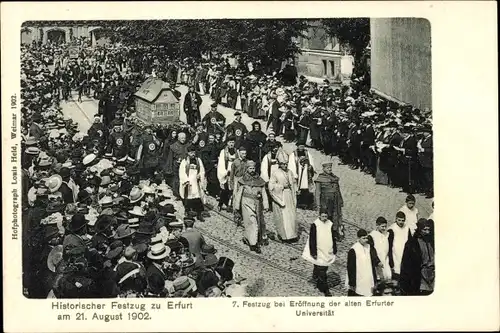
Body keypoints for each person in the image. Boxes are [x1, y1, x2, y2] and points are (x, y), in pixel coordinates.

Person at [233, 161, 269, 254]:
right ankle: (253, 244)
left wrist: (266, 205)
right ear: (247, 169)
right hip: (246, 203)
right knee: (251, 222)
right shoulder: (243, 180)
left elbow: (264, 193)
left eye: (253, 168)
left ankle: (247, 237)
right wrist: (236, 206)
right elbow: (239, 194)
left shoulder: (259, 180)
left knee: (257, 221)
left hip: (257, 204)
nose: (252, 170)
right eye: (250, 168)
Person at [302, 211, 338, 296]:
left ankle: (317, 277)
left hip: (327, 250)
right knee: (322, 271)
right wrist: (313, 252)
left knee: (324, 268)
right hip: (319, 251)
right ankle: (325, 289)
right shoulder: (315, 225)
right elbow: (312, 239)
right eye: (323, 216)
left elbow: (333, 237)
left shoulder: (330, 224)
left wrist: (334, 248)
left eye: (326, 216)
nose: (324, 218)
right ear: (319, 216)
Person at [268, 155, 298, 243]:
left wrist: (295, 189)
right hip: (281, 196)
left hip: (289, 195)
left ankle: (292, 235)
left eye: (286, 164)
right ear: (280, 164)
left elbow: (293, 183)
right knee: (283, 216)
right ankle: (284, 236)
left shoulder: (290, 172)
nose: (285, 166)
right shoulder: (275, 173)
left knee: (291, 216)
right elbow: (271, 186)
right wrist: (281, 186)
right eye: (283, 164)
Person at [314, 162, 344, 241]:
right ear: (323, 169)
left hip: (335, 200)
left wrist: (340, 200)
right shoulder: (320, 179)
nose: (329, 169)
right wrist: (318, 204)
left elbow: (338, 190)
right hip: (325, 201)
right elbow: (317, 192)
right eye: (327, 168)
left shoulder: (334, 178)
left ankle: (334, 232)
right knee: (326, 216)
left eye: (330, 168)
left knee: (335, 216)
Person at [346, 229, 381, 296]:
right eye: (363, 238)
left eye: (366, 238)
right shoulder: (353, 250)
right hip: (359, 276)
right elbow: (351, 267)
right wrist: (352, 282)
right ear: (358, 238)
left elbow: (373, 258)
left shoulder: (368, 247)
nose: (366, 240)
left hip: (368, 276)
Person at [179, 145, 207, 222]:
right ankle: (188, 212)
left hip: (196, 182)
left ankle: (199, 214)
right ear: (188, 153)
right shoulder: (184, 161)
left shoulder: (198, 160)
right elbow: (182, 172)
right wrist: (186, 180)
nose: (193, 154)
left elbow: (202, 170)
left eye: (194, 152)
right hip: (189, 182)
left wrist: (200, 175)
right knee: (188, 198)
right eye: (191, 152)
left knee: (198, 198)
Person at [288, 144, 316, 209]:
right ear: (297, 146)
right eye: (300, 146)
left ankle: (307, 203)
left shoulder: (307, 153)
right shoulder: (293, 154)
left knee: (306, 188)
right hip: (298, 173)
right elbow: (291, 164)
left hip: (306, 173)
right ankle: (298, 203)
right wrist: (294, 174)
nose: (301, 147)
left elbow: (311, 162)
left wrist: (310, 167)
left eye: (303, 146)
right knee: (297, 188)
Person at [388, 211, 412, 281]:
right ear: (396, 219)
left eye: (403, 220)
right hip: (395, 256)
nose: (401, 222)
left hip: (405, 255)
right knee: (397, 276)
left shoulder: (407, 228)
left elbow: (410, 242)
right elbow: (389, 246)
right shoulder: (391, 229)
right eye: (399, 220)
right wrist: (391, 261)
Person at [368, 217, 391, 282]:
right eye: (382, 226)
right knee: (378, 278)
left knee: (387, 277)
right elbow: (371, 250)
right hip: (377, 262)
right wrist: (377, 261)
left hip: (385, 260)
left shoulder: (386, 235)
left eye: (385, 226)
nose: (384, 228)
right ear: (377, 226)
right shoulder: (372, 236)